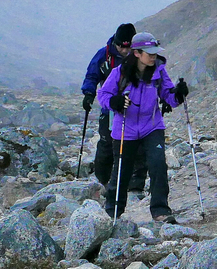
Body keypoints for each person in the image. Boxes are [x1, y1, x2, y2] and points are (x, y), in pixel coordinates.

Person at [96, 31, 189, 222]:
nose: (153, 56)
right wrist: (115, 102)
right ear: (137, 53)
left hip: (152, 127)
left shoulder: (159, 72)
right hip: (124, 129)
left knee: (157, 165)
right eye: (149, 52)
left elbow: (169, 98)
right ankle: (113, 212)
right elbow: (103, 95)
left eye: (155, 52)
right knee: (122, 170)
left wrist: (179, 94)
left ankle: (161, 211)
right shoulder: (119, 73)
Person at [81, 23, 147, 193]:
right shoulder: (104, 55)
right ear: (116, 43)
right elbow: (92, 74)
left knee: (137, 146)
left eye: (128, 47)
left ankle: (135, 186)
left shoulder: (141, 55)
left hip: (135, 108)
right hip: (110, 108)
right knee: (106, 144)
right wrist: (89, 93)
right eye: (121, 46)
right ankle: (103, 181)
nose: (124, 51)